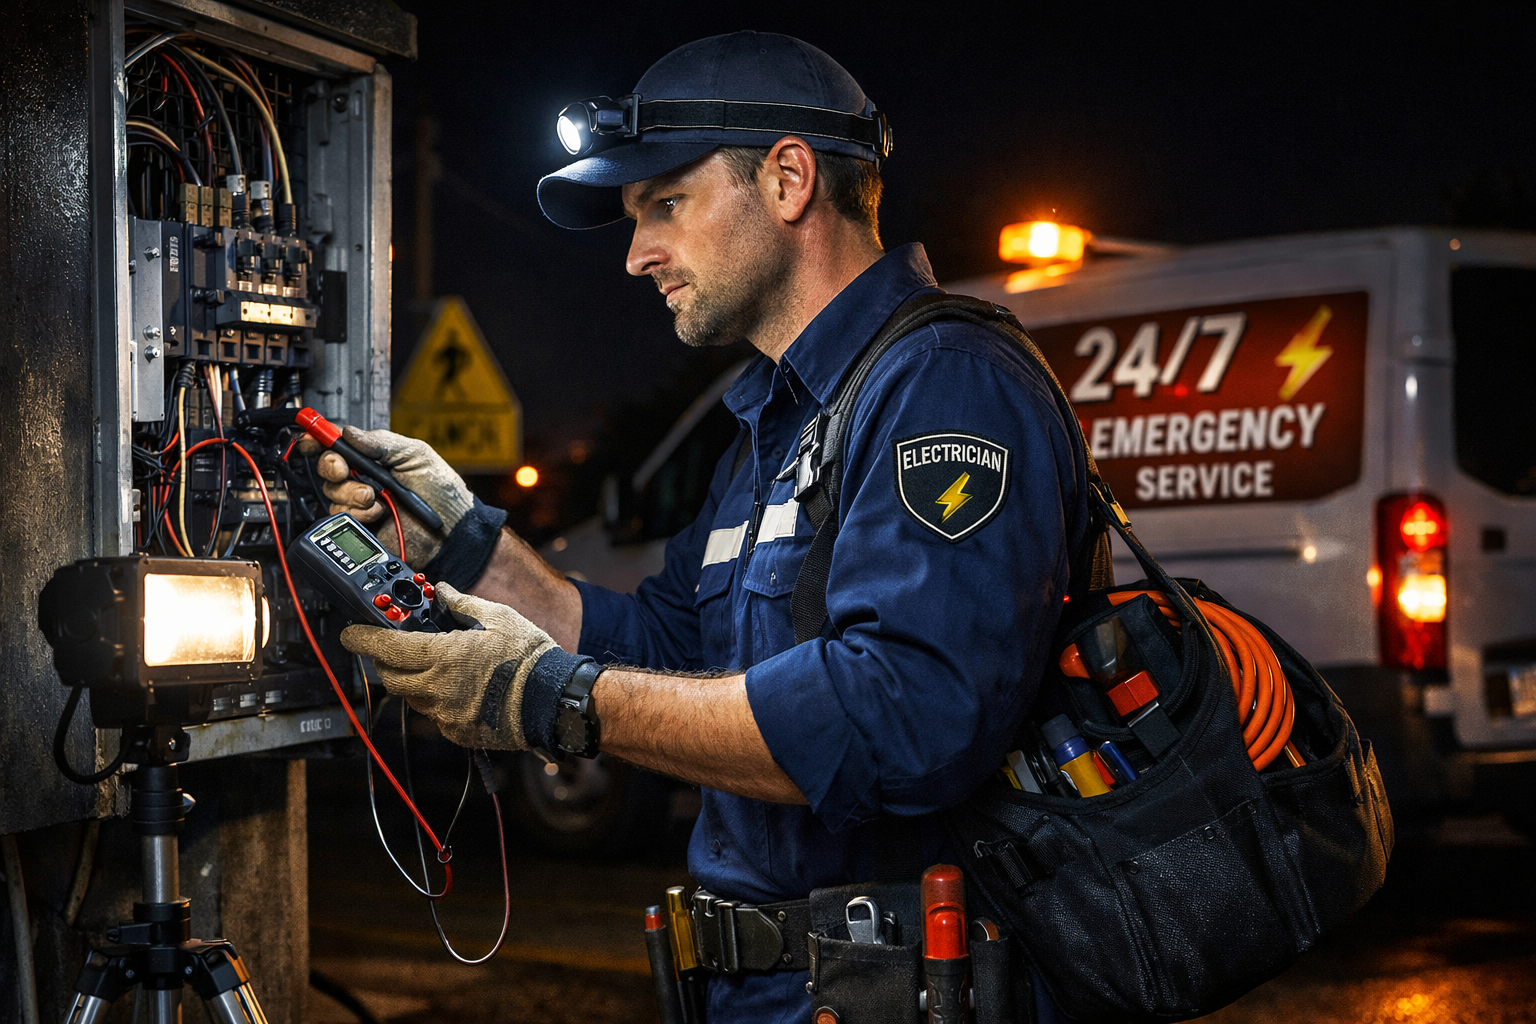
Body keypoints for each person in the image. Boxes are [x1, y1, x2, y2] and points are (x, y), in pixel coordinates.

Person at [318, 31, 1090, 1022]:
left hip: (906, 993)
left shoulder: (946, 388)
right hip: (770, 992)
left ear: (787, 179)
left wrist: (559, 701)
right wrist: (462, 540)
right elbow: (676, 645)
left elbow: (908, 715)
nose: (637, 254)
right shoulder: (771, 428)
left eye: (664, 206)